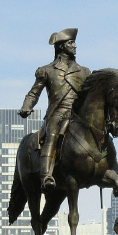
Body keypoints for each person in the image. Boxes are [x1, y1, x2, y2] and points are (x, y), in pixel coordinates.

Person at [18, 28, 91, 189]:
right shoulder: (47, 70)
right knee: (52, 134)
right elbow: (33, 93)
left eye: (74, 42)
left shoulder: (84, 71)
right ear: (61, 46)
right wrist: (26, 107)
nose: (75, 46)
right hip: (58, 114)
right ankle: (46, 176)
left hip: (78, 116)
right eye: (71, 43)